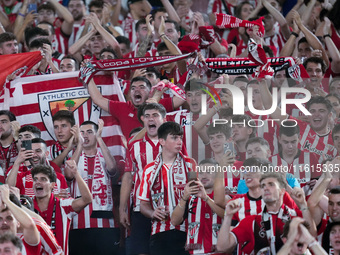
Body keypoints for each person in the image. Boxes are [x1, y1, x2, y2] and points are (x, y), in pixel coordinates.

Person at [217, 172, 316, 255]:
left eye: (271, 184)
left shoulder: (295, 216)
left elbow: (312, 236)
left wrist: (303, 204)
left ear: (282, 191)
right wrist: (228, 216)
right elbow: (222, 247)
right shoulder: (251, 222)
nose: (265, 188)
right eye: (263, 185)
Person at [139, 122, 196, 255]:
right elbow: (143, 204)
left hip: (188, 232)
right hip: (160, 232)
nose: (179, 142)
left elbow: (197, 196)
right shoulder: (149, 169)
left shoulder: (190, 164)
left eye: (180, 138)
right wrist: (152, 213)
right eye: (174, 138)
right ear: (162, 141)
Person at [66, 119, 119, 255]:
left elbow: (113, 169)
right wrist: (78, 146)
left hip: (105, 225)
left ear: (97, 134)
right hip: (78, 225)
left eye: (90, 132)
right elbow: (69, 174)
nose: (85, 136)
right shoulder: (74, 158)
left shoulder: (104, 156)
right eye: (82, 133)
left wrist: (100, 139)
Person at [120, 103, 167, 255]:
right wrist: (122, 208)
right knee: (141, 251)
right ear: (142, 120)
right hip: (141, 207)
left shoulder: (174, 143)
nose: (150, 119)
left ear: (164, 119)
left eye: (155, 115)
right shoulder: (134, 147)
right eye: (147, 116)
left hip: (168, 206)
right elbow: (127, 177)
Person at [87, 75, 185, 139]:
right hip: (134, 157)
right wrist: (88, 76)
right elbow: (98, 99)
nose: (137, 90)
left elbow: (182, 98)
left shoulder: (159, 104)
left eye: (142, 87)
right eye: (133, 88)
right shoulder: (122, 108)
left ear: (150, 91)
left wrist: (169, 85)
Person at [32, 162, 92, 255]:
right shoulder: (27, 206)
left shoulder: (63, 205)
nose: (38, 182)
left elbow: (87, 199)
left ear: (52, 185)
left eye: (43, 179)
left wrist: (76, 173)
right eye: (35, 179)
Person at [171, 158, 224, 254]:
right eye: (201, 172)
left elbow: (226, 215)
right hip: (196, 252)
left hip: (220, 251)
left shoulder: (223, 196)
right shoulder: (190, 198)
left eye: (209, 172)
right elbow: (174, 221)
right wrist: (184, 198)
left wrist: (206, 198)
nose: (204, 175)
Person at [0, 184, 41, 255]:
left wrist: (7, 200)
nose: (4, 222)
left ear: (18, 223)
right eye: (0, 219)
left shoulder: (27, 243)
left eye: (9, 218)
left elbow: (30, 224)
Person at [0, 110, 19, 183]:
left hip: (17, 187)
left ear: (13, 125)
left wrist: (17, 137)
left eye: (3, 122)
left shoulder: (20, 143)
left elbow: (26, 159)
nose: (0, 125)